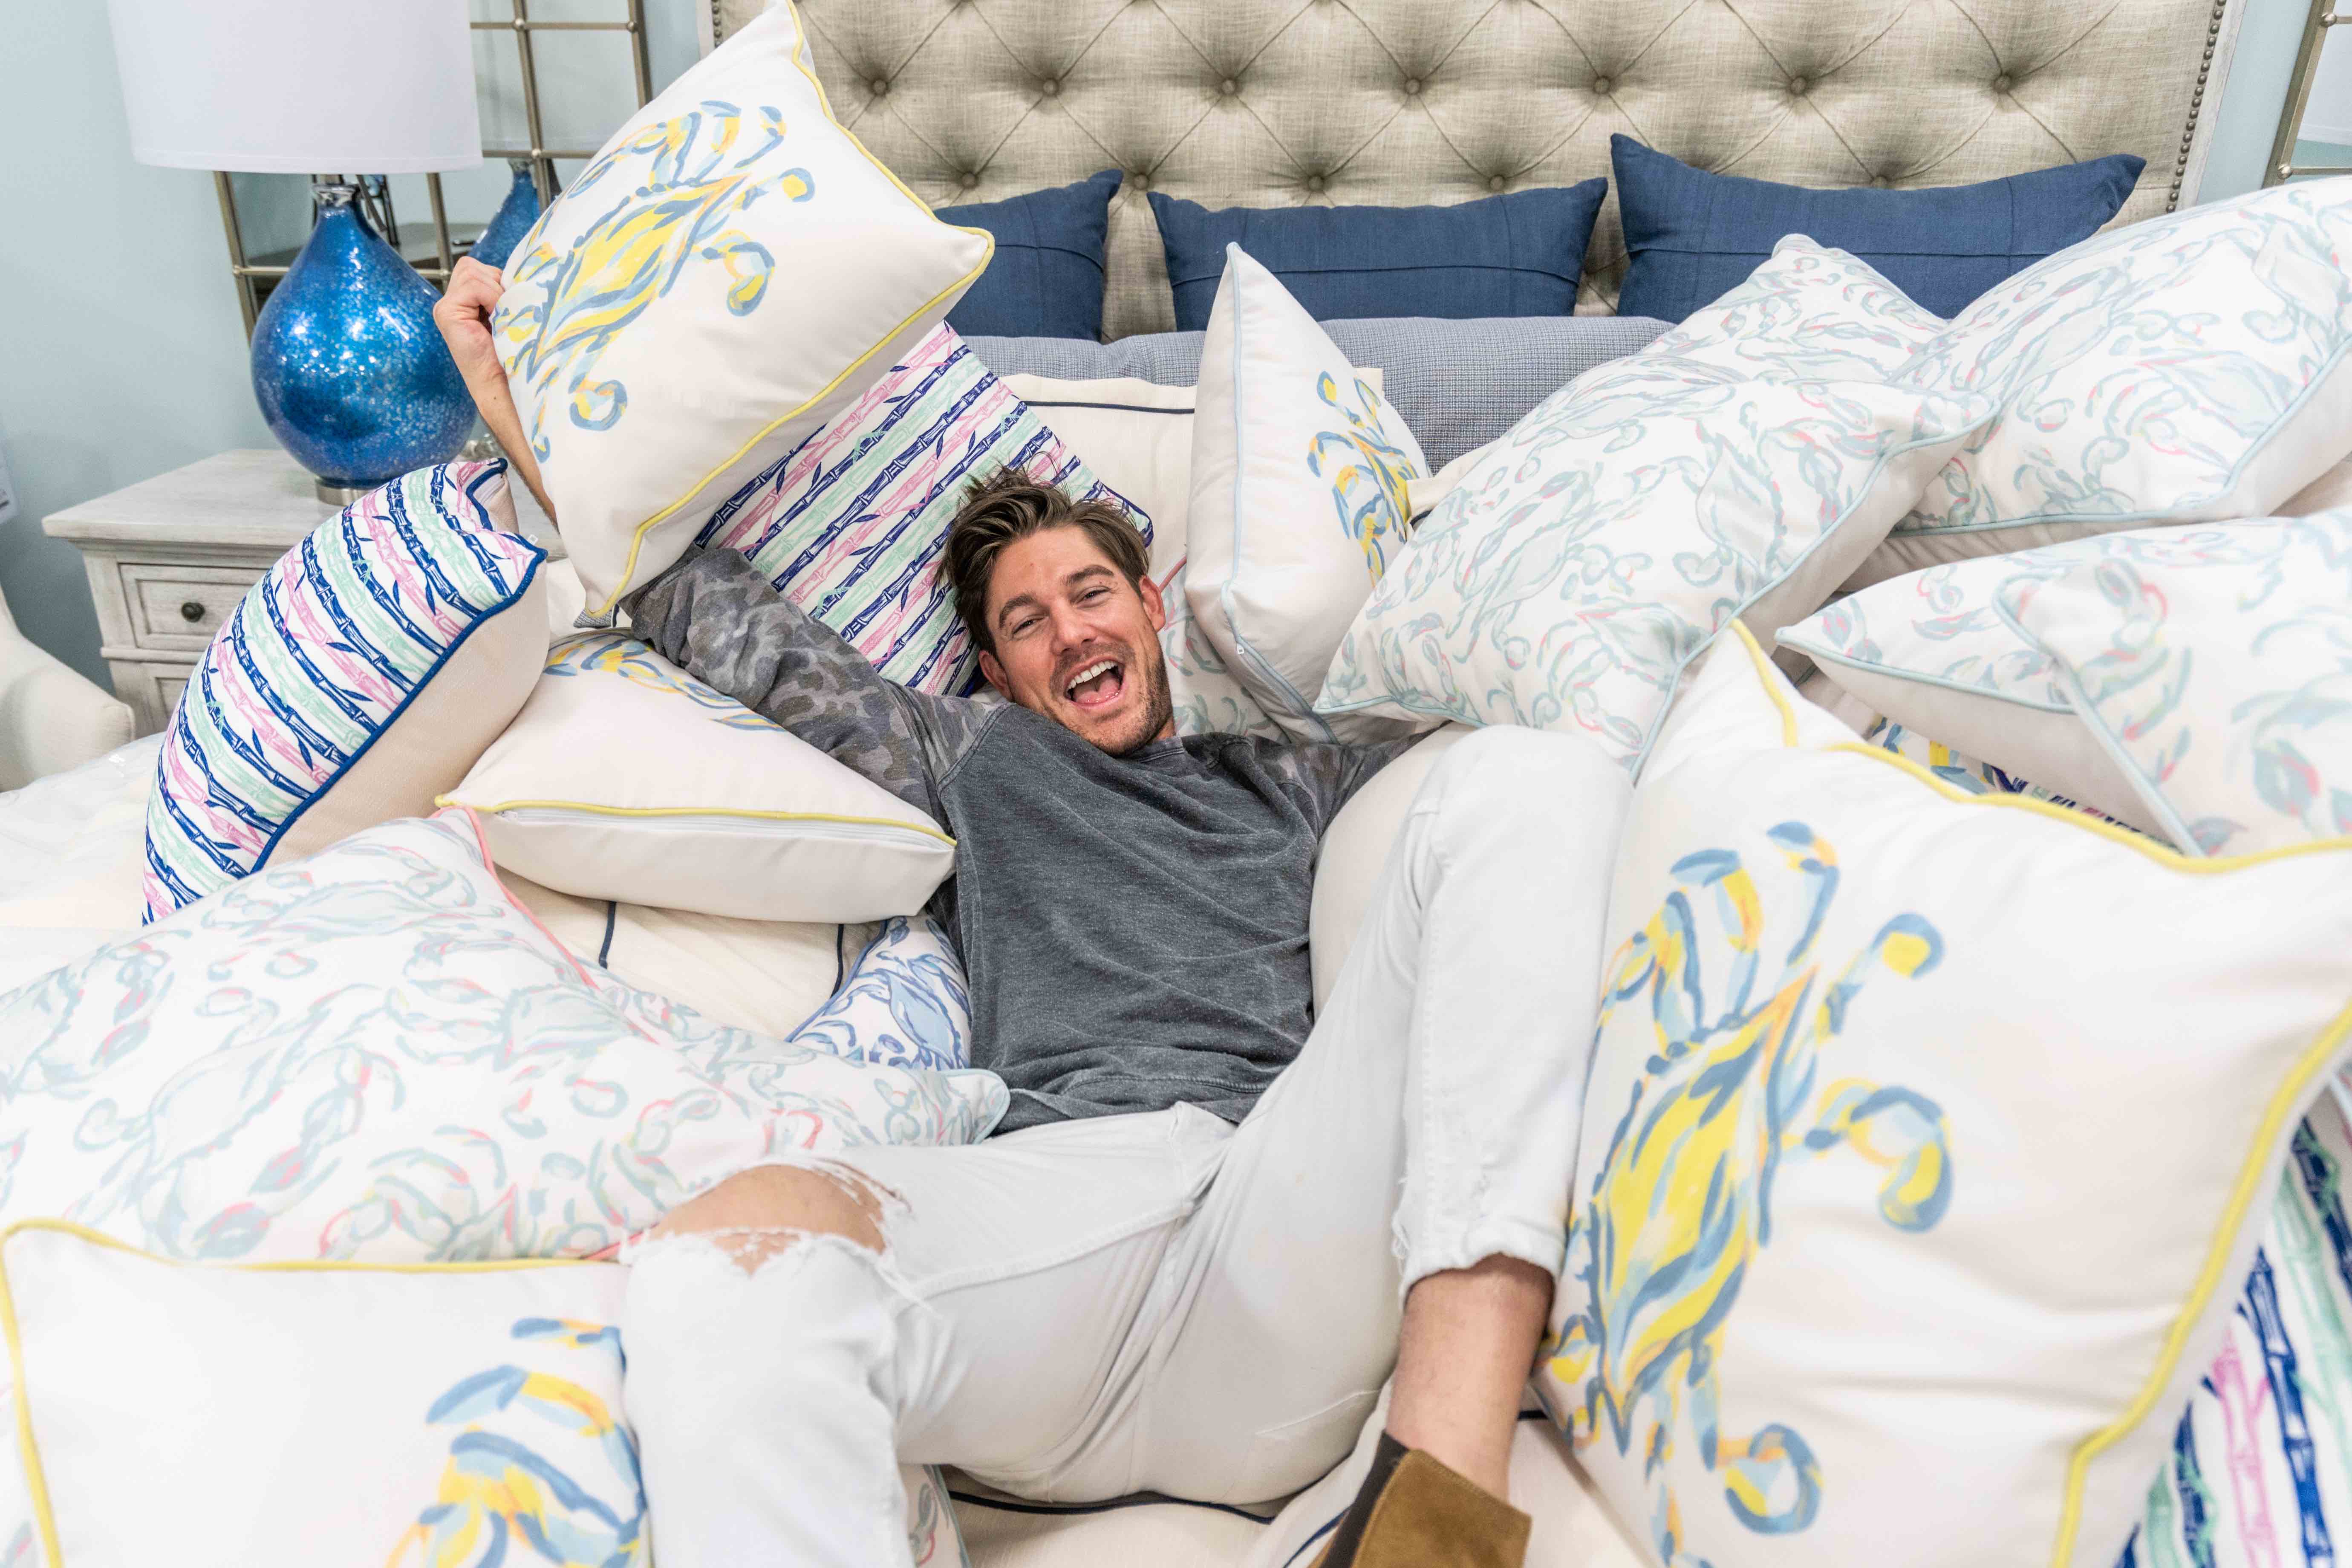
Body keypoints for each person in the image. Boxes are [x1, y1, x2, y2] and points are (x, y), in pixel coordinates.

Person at [435, 257, 1629, 1568]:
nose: (1069, 634)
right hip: (1058, 1240)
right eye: (1026, 621)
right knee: (729, 1264)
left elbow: (1501, 797)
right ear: (995, 671)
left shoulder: (1289, 770)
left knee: (1533, 771)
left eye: (1091, 595)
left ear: (1151, 609)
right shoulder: (974, 756)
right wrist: (515, 409)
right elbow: (712, 614)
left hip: (1280, 1234)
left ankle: (1440, 1497)